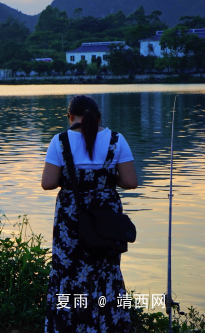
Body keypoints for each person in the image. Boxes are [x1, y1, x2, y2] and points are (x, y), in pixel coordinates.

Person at [41, 95, 138, 333]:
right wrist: (105, 179)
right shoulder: (116, 139)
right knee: (106, 271)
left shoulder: (60, 141)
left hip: (71, 219)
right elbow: (130, 182)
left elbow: (48, 183)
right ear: (98, 117)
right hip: (106, 219)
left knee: (68, 271)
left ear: (70, 116)